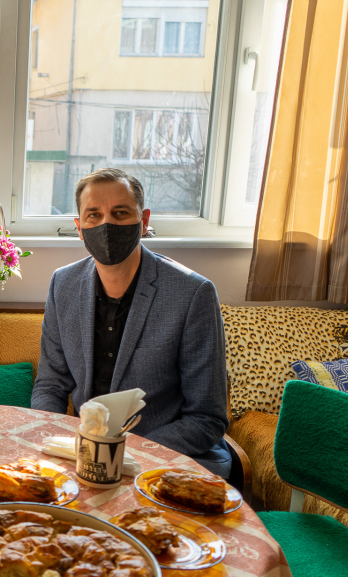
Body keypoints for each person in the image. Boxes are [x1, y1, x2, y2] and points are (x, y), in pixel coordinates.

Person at [30, 168, 231, 477]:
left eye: (120, 213)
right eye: (93, 215)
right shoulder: (63, 284)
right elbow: (50, 385)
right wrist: (51, 439)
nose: (106, 224)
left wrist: (124, 453)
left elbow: (207, 418)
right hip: (83, 454)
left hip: (166, 459)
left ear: (144, 220)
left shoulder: (193, 293)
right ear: (79, 228)